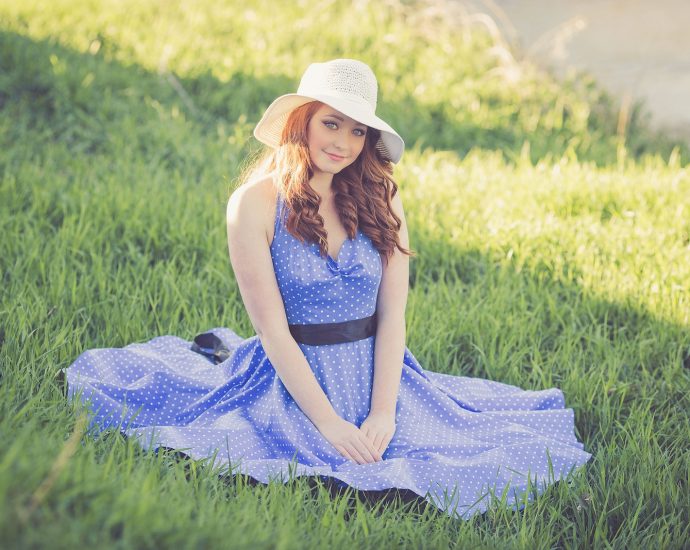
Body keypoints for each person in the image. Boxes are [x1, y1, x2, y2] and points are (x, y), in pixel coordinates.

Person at [63, 59, 592, 519]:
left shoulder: (382, 197)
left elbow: (393, 319)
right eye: (331, 123)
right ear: (302, 122)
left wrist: (382, 412)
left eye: (358, 131)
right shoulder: (254, 203)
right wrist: (331, 424)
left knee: (473, 449)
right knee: (292, 450)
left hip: (376, 374)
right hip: (294, 374)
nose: (342, 143)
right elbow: (271, 330)